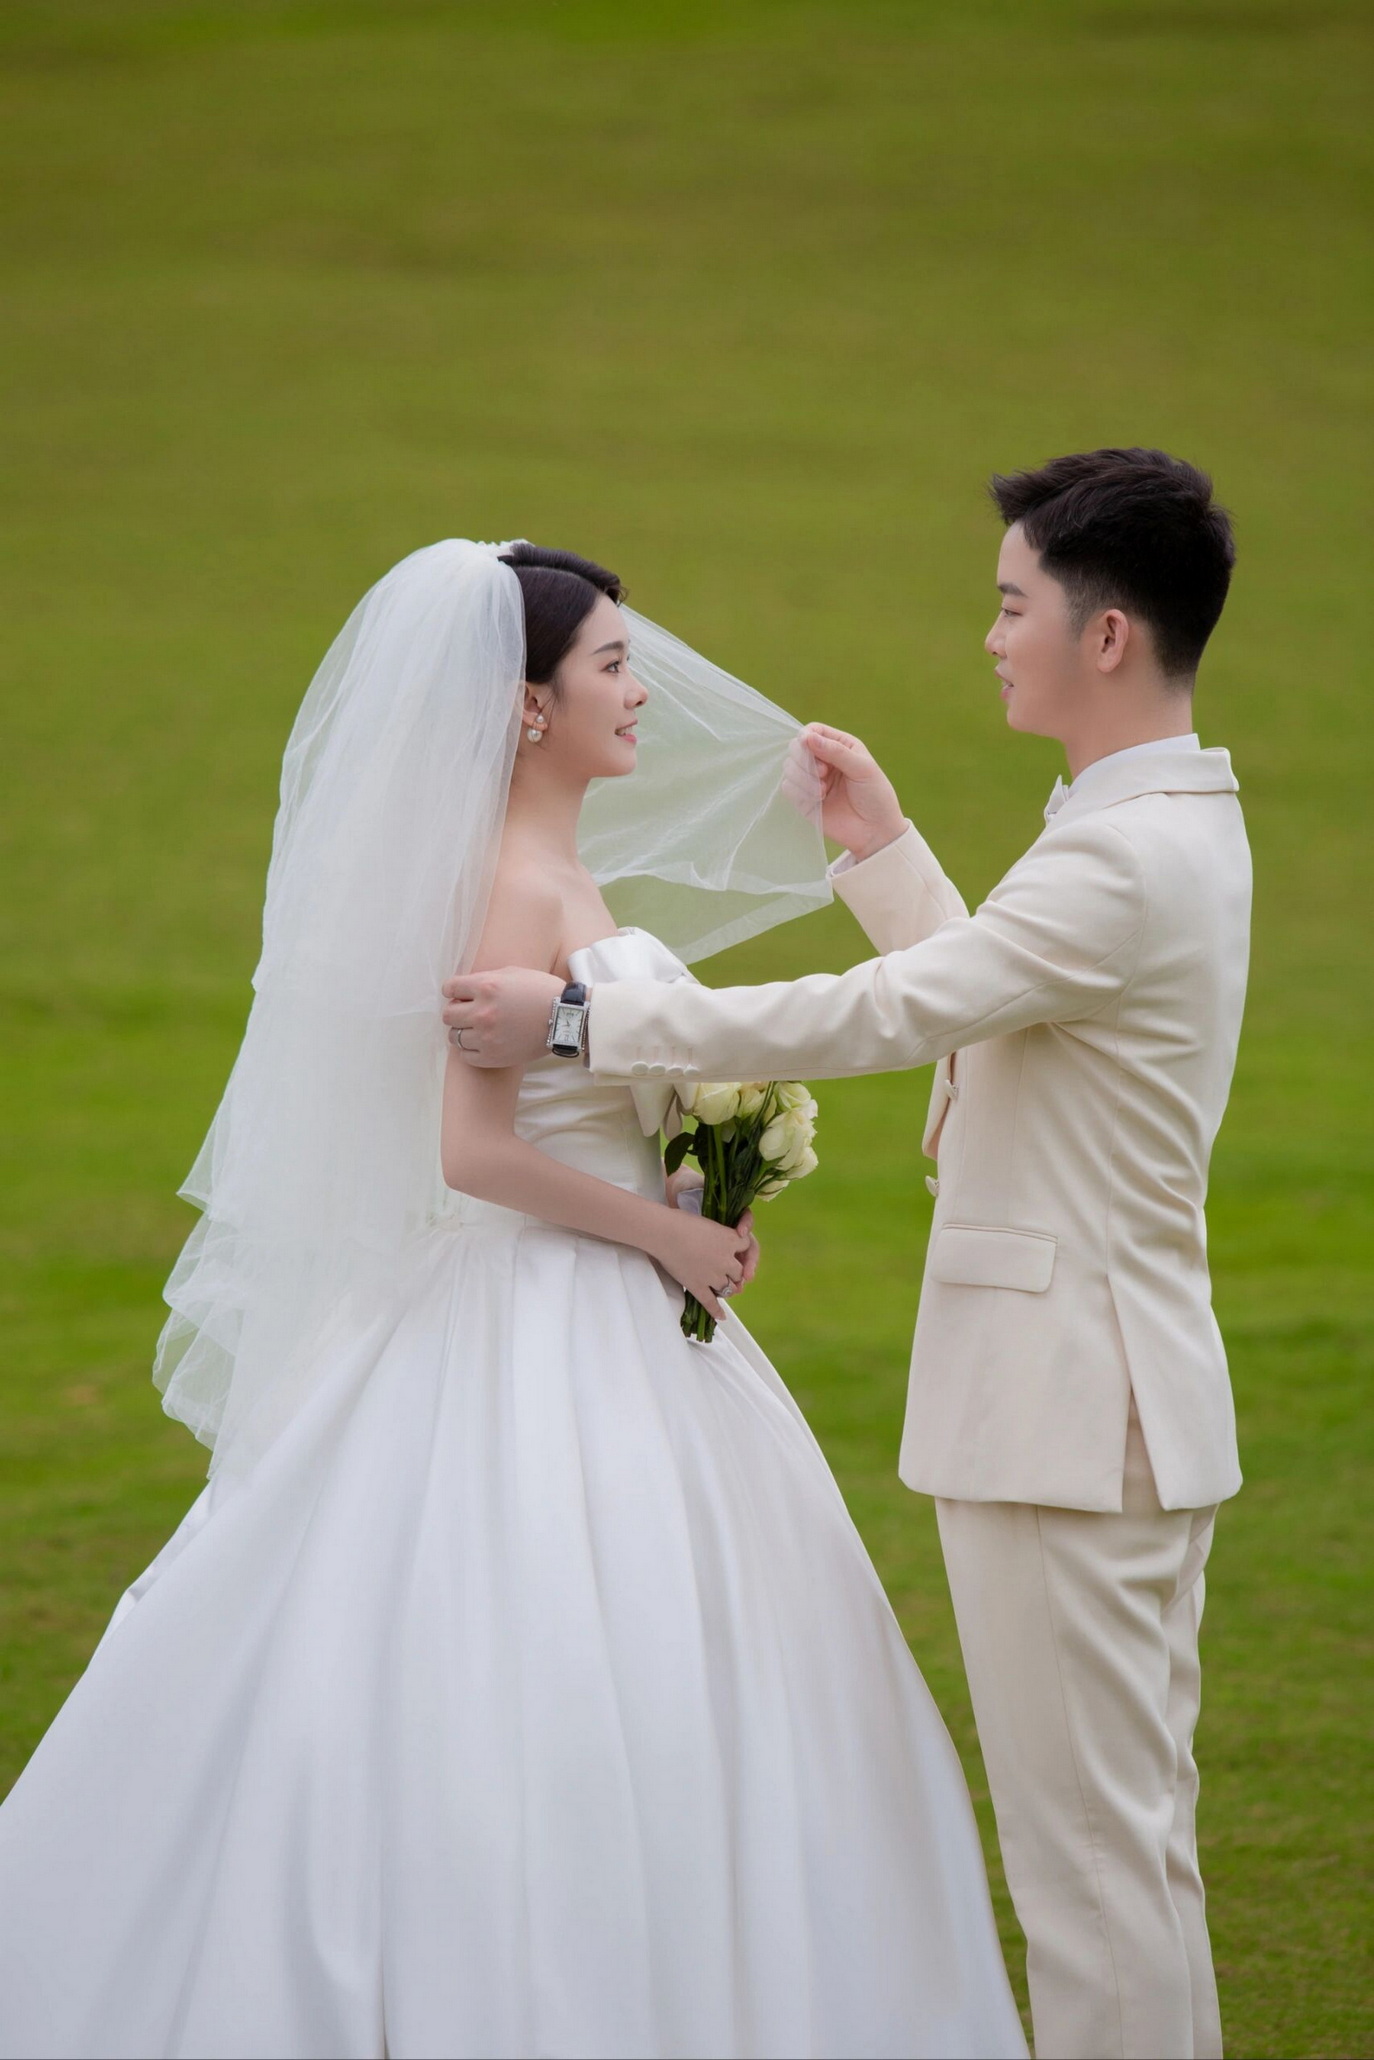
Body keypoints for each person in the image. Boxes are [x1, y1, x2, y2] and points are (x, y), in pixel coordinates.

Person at [0, 539, 1026, 2060]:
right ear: (529, 704)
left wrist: (699, 1188)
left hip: (620, 1296)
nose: (642, 689)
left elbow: (593, 1087)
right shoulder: (504, 880)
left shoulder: (567, 871)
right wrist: (662, 1235)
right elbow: (472, 1152)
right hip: (529, 1302)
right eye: (612, 663)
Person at [444, 450, 1252, 2060]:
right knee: (1127, 1852)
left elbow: (892, 1015)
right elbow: (1005, 1000)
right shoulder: (1154, 827)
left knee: (1091, 1875)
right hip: (1111, 1406)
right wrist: (883, 857)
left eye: (1010, 605)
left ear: (1103, 634)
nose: (989, 637)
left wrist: (585, 1021)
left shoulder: (1121, 851)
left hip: (1064, 1418)